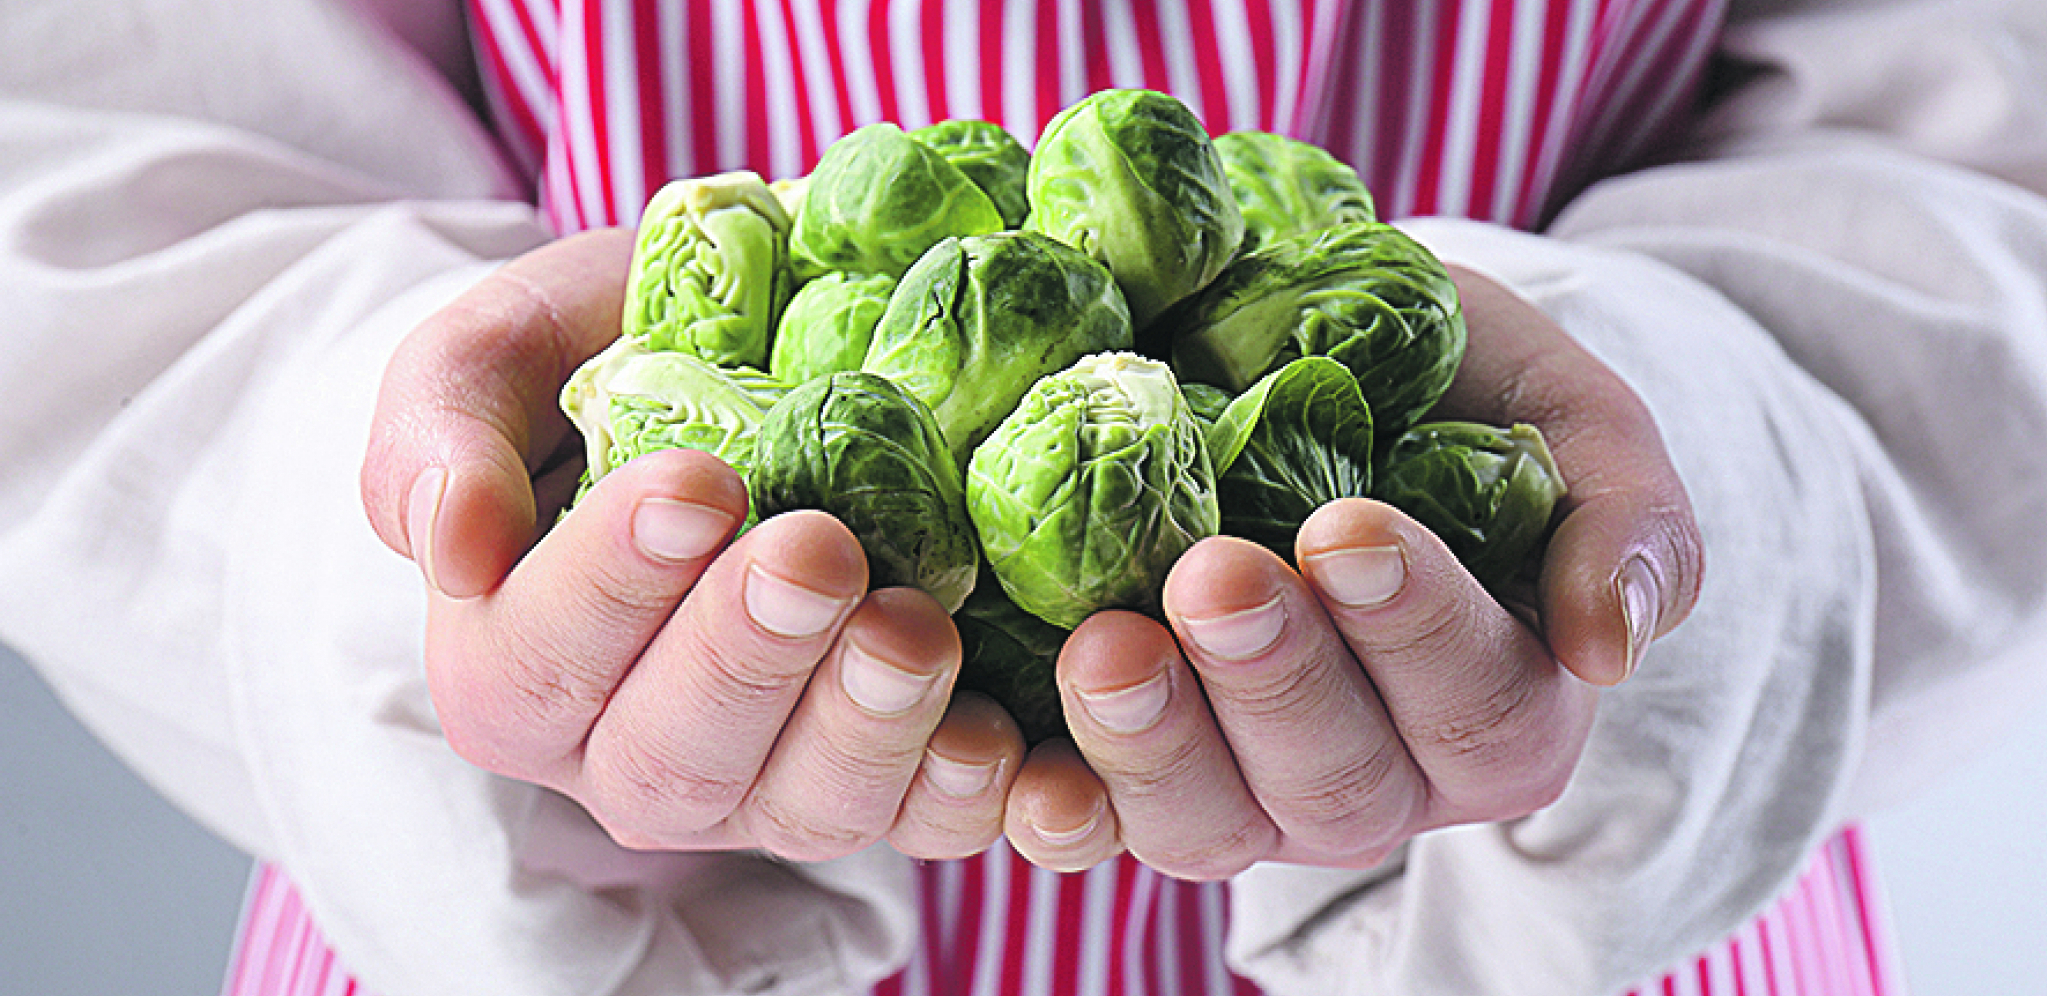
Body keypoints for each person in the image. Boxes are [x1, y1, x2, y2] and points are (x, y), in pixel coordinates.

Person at [3, 1, 2045, 994]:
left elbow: (1990, 162)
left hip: (1596, 895)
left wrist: (1670, 485)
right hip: (534, 917)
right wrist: (421, 536)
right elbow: (74, 162)